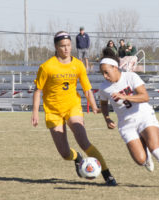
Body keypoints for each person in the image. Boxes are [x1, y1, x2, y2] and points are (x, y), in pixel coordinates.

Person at [31, 31, 117, 186]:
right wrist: (35, 112)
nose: (66, 49)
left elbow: (87, 89)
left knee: (84, 141)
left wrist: (94, 106)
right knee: (64, 153)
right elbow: (38, 90)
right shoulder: (47, 67)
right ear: (56, 47)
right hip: (53, 111)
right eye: (62, 46)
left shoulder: (78, 64)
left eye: (68, 45)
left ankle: (107, 174)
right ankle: (77, 158)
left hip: (73, 107)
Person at [98, 48, 159, 190]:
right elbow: (103, 104)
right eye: (102, 73)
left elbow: (145, 97)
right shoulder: (103, 88)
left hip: (144, 116)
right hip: (126, 124)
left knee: (155, 148)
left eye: (106, 72)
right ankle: (145, 155)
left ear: (115, 68)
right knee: (140, 160)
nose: (104, 76)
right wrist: (107, 118)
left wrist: (125, 96)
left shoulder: (131, 77)